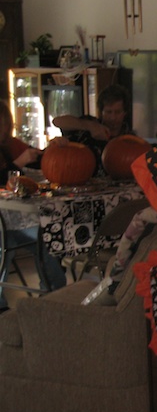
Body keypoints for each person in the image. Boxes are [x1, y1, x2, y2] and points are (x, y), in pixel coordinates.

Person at [0, 100, 67, 308]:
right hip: (3, 223)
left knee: (45, 232)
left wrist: (52, 148)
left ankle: (54, 292)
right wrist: (18, 163)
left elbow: (40, 158)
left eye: (4, 125)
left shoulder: (9, 144)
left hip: (16, 219)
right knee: (5, 244)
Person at [52, 83, 134, 176]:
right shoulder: (89, 123)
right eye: (108, 112)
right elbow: (57, 121)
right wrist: (89, 126)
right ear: (101, 112)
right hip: (78, 180)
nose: (113, 117)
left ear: (125, 112)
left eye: (118, 112)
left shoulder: (131, 140)